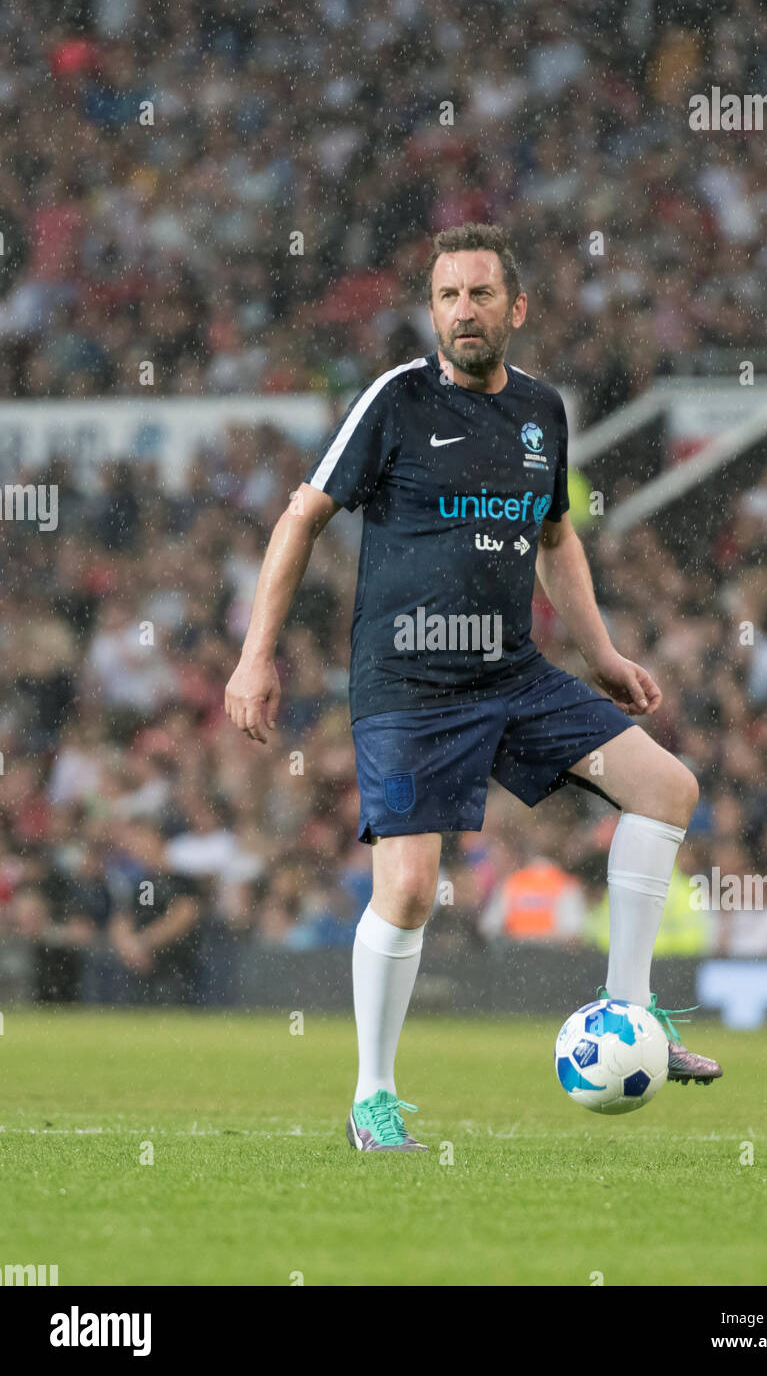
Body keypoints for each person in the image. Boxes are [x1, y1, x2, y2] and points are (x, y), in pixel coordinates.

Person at [225, 223, 721, 1153]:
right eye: (448, 296)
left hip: (511, 672)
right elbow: (302, 517)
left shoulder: (543, 413)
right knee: (410, 891)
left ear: (516, 308)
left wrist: (604, 655)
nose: (463, 311)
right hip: (407, 683)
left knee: (667, 789)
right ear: (433, 311)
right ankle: (372, 1100)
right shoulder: (396, 401)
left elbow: (557, 539)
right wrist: (256, 654)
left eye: (481, 294)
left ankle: (630, 1010)